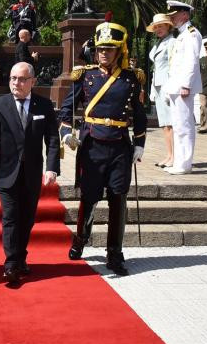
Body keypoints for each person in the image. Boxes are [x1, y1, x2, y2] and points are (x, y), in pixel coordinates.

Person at [59, 21, 147, 275]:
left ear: (120, 51)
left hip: (120, 146)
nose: (104, 53)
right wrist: (67, 133)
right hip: (92, 145)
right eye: (100, 49)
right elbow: (67, 109)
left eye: (109, 49)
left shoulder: (132, 78)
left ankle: (115, 253)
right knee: (89, 197)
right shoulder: (84, 76)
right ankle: (81, 239)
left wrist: (139, 143)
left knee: (118, 199)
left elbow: (139, 115)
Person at [0, 62, 60, 285]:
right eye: (13, 78)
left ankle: (21, 257)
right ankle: (11, 264)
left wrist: (52, 168)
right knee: (10, 218)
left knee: (26, 219)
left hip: (32, 174)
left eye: (22, 79)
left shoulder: (44, 106)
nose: (17, 83)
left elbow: (52, 140)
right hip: (6, 173)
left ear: (33, 82)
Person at [163, 0, 202, 174]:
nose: (171, 18)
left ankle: (184, 164)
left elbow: (191, 61)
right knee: (178, 125)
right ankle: (179, 162)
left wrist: (186, 84)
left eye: (174, 15)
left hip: (183, 87)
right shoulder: (182, 34)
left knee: (184, 125)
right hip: (176, 86)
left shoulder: (192, 34)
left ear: (184, 15)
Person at [146, 13, 174, 167]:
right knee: (164, 124)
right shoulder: (159, 43)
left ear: (168, 26)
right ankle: (169, 155)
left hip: (166, 86)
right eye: (156, 27)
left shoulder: (172, 42)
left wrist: (170, 88)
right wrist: (152, 89)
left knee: (170, 123)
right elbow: (156, 68)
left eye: (161, 26)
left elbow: (172, 67)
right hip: (157, 85)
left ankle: (174, 156)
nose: (158, 29)